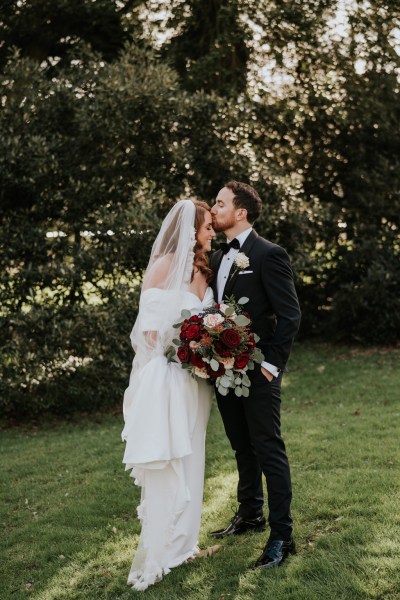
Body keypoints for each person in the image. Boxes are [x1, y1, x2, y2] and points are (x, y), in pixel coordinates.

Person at [121, 199, 217, 591]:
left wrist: (208, 350)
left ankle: (184, 545)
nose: (212, 232)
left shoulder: (202, 272)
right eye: (207, 226)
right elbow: (148, 332)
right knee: (169, 459)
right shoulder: (164, 265)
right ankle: (161, 550)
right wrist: (185, 348)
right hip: (169, 377)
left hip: (196, 381)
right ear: (191, 230)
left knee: (193, 454)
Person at [209, 181, 301, 569]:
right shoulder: (216, 258)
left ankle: (282, 536)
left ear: (240, 212)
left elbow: (290, 314)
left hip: (258, 372)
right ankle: (250, 513)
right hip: (224, 372)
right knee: (241, 446)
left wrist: (270, 365)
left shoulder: (268, 254)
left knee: (268, 448)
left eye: (219, 203)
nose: (213, 209)